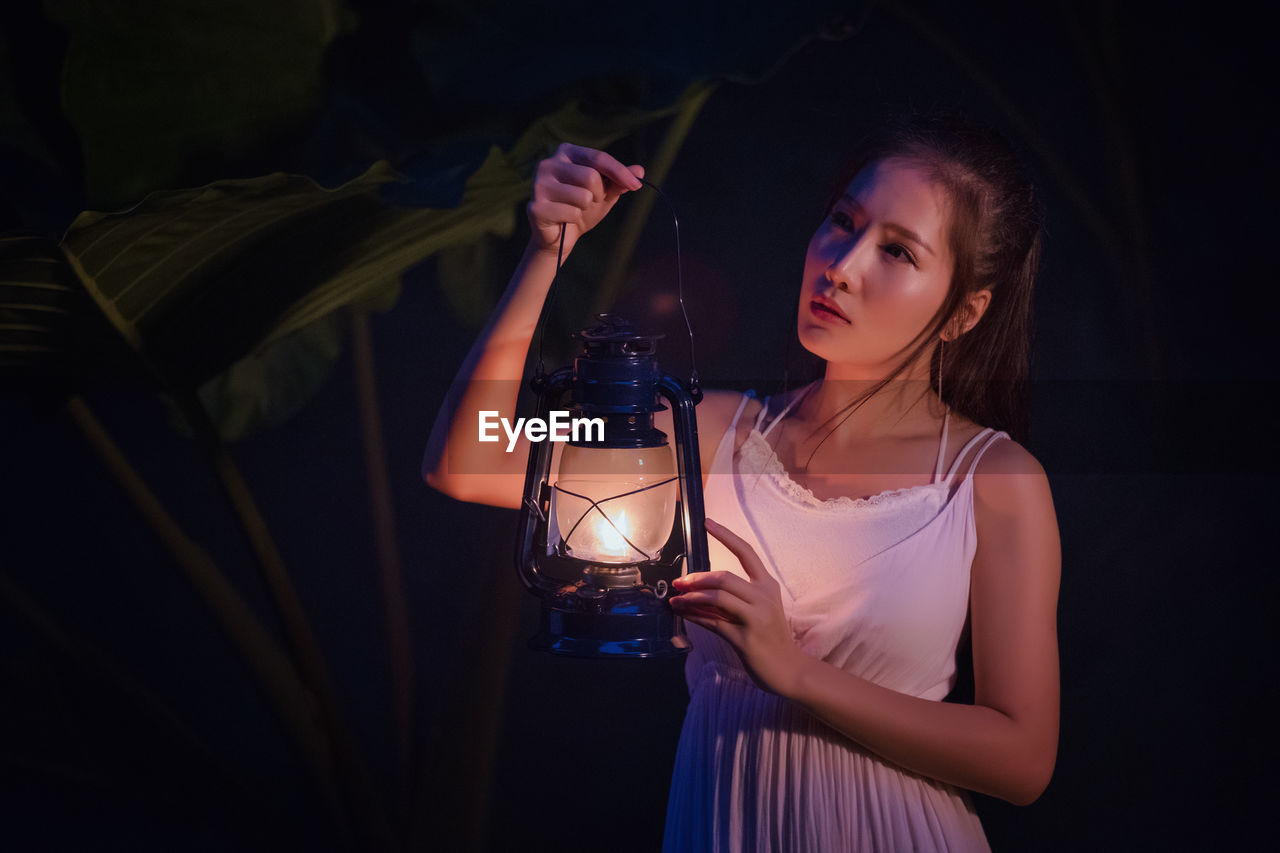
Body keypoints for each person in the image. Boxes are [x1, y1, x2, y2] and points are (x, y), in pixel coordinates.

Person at [423, 113, 1060, 852]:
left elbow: (1022, 760)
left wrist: (797, 672)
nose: (842, 264)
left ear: (965, 312)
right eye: (842, 221)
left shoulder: (991, 480)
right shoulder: (704, 435)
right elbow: (468, 457)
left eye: (896, 251)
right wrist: (545, 252)